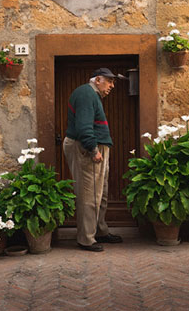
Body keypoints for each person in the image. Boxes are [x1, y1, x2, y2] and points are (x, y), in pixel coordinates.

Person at [62, 67, 124, 252]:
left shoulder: (91, 95)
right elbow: (83, 125)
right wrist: (93, 149)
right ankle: (87, 239)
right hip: (87, 148)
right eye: (109, 81)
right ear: (98, 80)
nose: (112, 86)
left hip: (95, 148)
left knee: (100, 193)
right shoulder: (86, 93)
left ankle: (100, 231)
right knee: (89, 194)